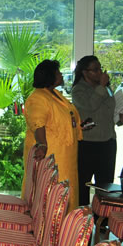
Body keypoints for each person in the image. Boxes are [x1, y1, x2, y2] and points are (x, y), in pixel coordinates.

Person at [23, 59, 82, 213]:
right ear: (50, 76)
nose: (61, 74)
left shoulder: (54, 94)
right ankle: (49, 234)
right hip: (50, 157)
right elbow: (38, 124)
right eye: (58, 72)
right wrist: (42, 144)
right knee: (51, 202)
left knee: (65, 196)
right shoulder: (37, 98)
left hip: (65, 157)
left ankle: (64, 234)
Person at [71, 55, 123, 206]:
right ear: (85, 72)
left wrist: (120, 119)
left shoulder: (106, 88)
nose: (100, 73)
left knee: (105, 185)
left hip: (108, 141)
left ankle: (102, 222)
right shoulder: (78, 90)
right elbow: (90, 107)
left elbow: (109, 111)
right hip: (88, 143)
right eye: (95, 70)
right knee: (83, 184)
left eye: (100, 68)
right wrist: (101, 87)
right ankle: (81, 220)